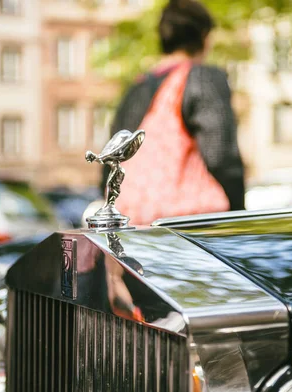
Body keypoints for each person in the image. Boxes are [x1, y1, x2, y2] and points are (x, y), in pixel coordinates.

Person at [99, 0, 245, 224]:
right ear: (204, 37)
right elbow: (220, 156)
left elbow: (110, 160)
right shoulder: (202, 79)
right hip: (188, 230)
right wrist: (239, 218)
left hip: (133, 228)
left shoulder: (136, 89)